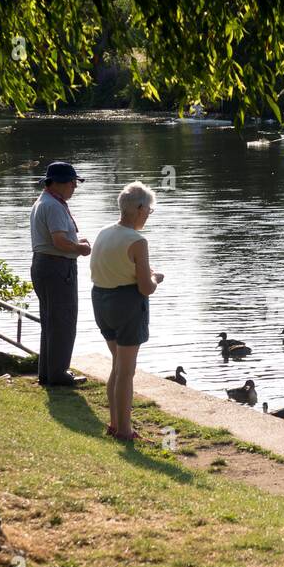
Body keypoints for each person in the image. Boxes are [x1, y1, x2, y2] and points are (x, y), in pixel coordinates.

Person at [90, 181, 164, 440]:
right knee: (127, 371)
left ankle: (114, 423)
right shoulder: (137, 241)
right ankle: (124, 430)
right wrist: (157, 278)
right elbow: (145, 288)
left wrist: (146, 275)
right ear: (140, 208)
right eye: (149, 211)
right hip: (126, 305)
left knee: (117, 365)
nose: (148, 215)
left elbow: (113, 267)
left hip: (100, 301)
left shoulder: (104, 232)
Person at [29, 161, 90, 387]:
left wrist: (75, 242)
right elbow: (59, 241)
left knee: (51, 321)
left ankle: (47, 373)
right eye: (73, 183)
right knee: (63, 321)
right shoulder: (53, 206)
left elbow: (58, 239)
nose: (75, 187)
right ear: (60, 183)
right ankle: (58, 374)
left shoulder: (46, 201)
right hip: (57, 268)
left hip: (45, 264)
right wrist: (80, 248)